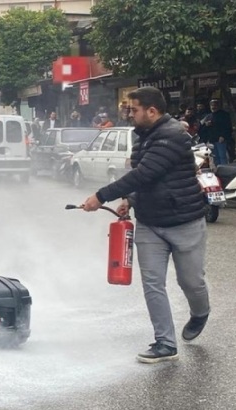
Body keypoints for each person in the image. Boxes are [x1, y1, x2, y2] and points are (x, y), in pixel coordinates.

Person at [81, 86, 209, 364]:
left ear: (152, 111)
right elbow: (142, 180)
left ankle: (200, 312)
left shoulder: (173, 136)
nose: (129, 114)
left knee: (190, 282)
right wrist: (129, 198)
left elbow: (145, 172)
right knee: (153, 283)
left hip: (184, 220)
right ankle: (165, 343)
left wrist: (101, 196)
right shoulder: (142, 138)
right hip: (150, 223)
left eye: (134, 109)